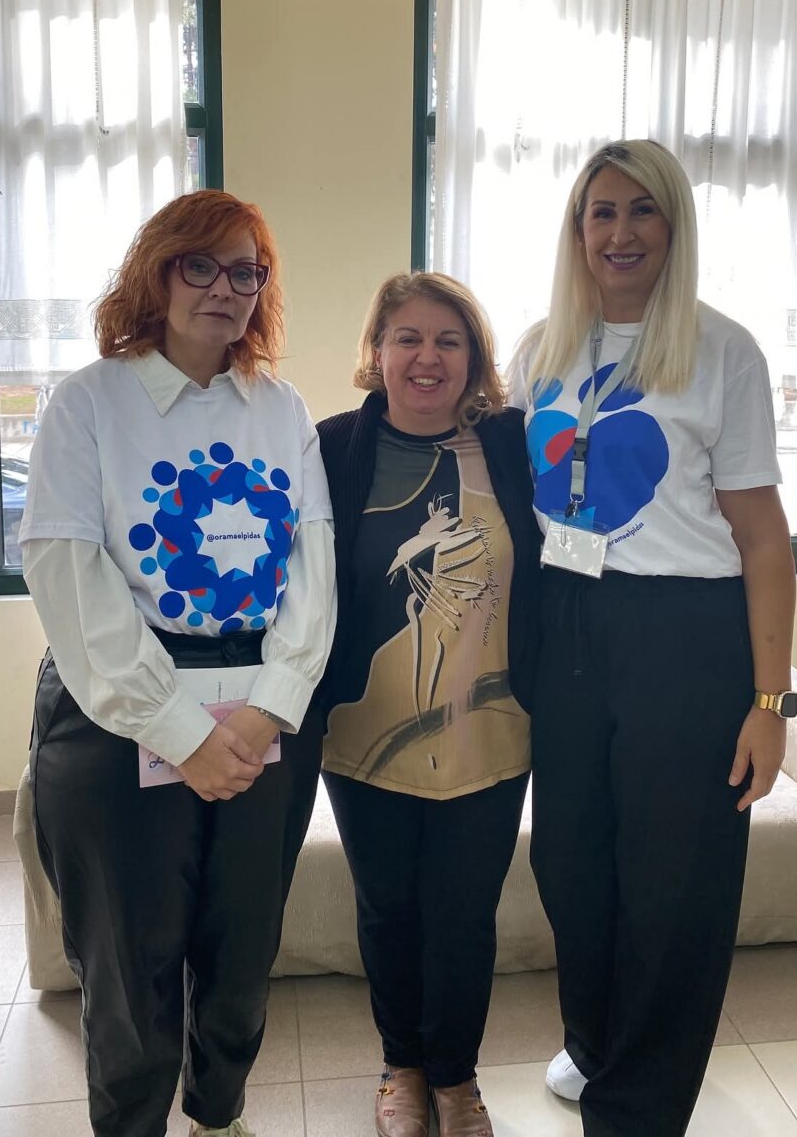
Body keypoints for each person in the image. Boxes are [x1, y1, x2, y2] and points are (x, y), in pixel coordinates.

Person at [20, 189, 337, 1137]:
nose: (225, 289)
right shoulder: (89, 403)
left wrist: (271, 706)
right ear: (155, 274)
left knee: (243, 953)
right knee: (129, 966)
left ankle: (218, 1113)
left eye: (247, 272)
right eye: (200, 265)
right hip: (117, 716)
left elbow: (313, 571)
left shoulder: (281, 409)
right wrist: (179, 733)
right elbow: (69, 575)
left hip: (262, 709)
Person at [509, 140, 796, 1137]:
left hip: (685, 634)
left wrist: (770, 703)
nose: (621, 232)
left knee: (676, 882)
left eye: (644, 211)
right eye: (602, 211)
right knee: (570, 864)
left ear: (674, 227)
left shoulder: (723, 352)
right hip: (566, 623)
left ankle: (640, 1105)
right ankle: (597, 1045)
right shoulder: (542, 348)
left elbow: (765, 540)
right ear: (577, 229)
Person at [316, 272, 541, 1137]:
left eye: (450, 341)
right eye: (407, 337)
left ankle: (456, 1077)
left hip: (493, 725)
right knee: (388, 907)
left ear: (474, 359)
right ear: (377, 351)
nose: (427, 357)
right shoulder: (333, 448)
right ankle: (401, 1068)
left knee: (464, 914)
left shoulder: (512, 444)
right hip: (364, 729)